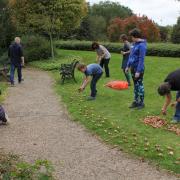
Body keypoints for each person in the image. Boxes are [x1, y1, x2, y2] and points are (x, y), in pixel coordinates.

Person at [125, 28, 147, 109]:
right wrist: (127, 66)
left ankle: (141, 103)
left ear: (135, 36)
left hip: (139, 69)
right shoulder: (134, 44)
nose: (131, 38)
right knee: (135, 86)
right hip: (133, 68)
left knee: (140, 85)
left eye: (132, 37)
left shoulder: (142, 45)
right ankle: (136, 101)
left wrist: (138, 71)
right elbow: (131, 56)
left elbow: (141, 59)